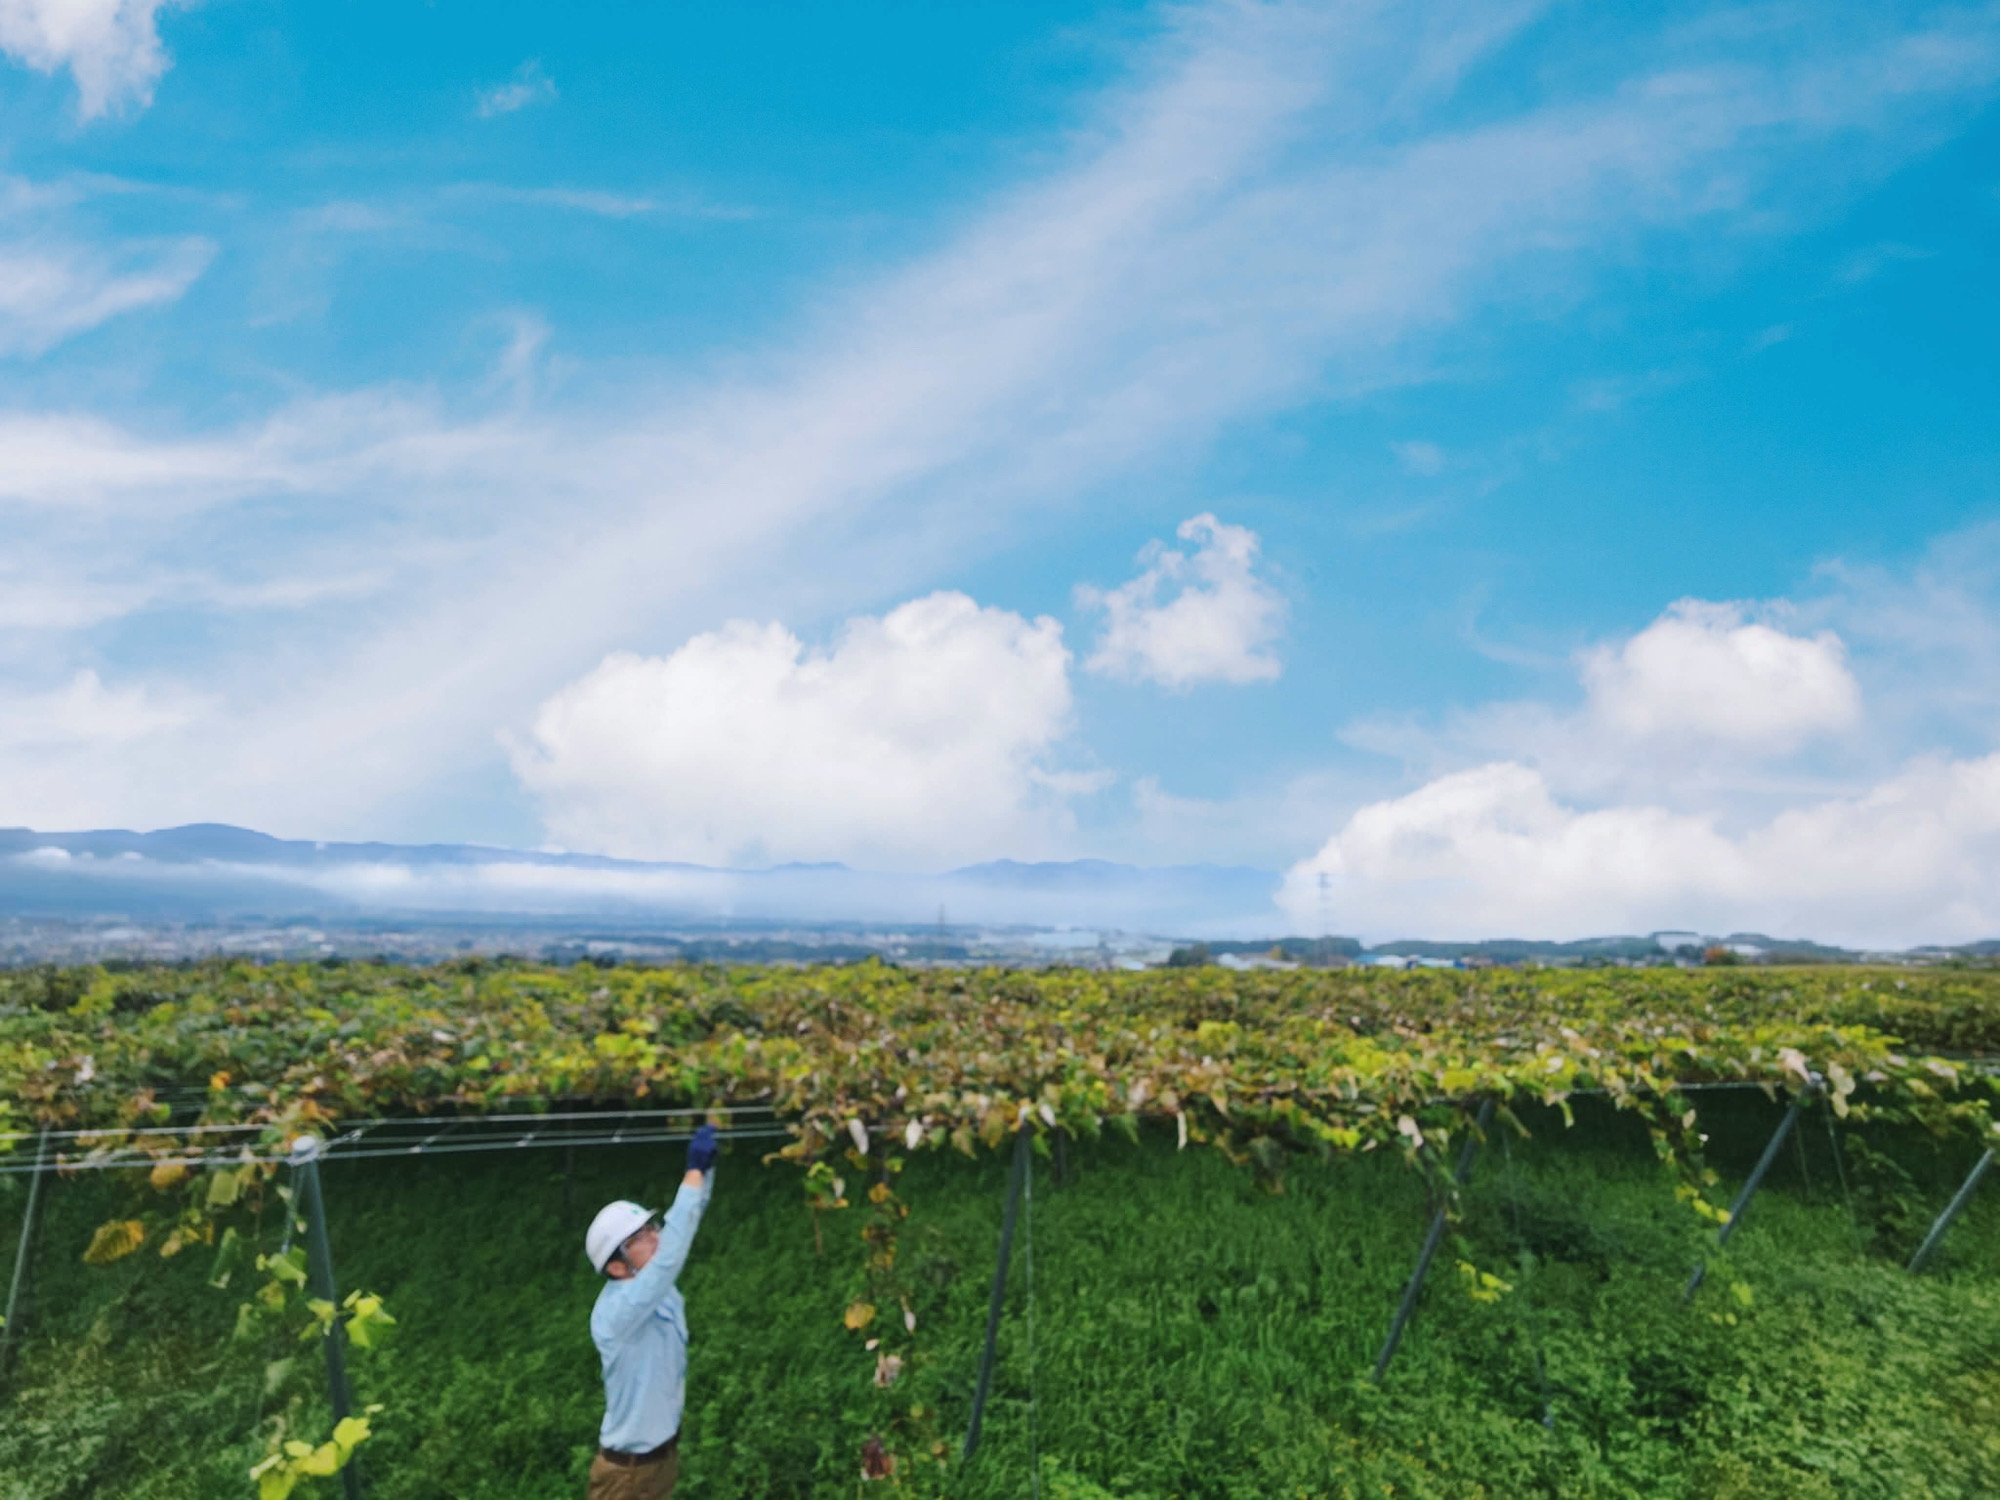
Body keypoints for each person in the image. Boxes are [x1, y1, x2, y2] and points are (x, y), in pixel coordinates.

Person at [582, 1121, 720, 1500]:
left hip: (660, 1461)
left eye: (652, 1227)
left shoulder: (657, 1291)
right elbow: (671, 1255)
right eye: (640, 1237)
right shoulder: (618, 1312)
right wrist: (692, 1171)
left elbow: (683, 1230)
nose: (655, 1236)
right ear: (616, 1266)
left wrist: (704, 1171)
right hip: (626, 1475)